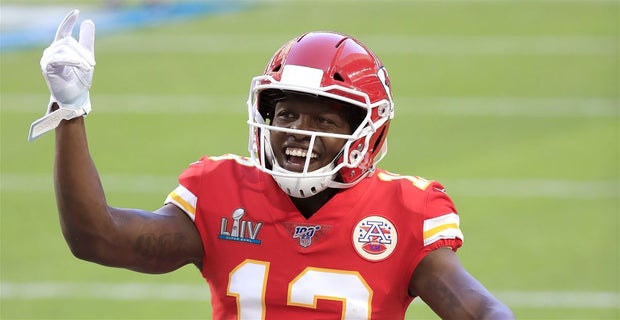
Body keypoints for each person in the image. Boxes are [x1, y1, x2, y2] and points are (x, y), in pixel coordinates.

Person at [29, 9, 515, 320]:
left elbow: (482, 310)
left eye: (322, 119)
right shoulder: (222, 192)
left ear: (365, 132)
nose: (297, 133)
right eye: (286, 115)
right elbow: (96, 237)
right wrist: (70, 112)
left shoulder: (404, 210)